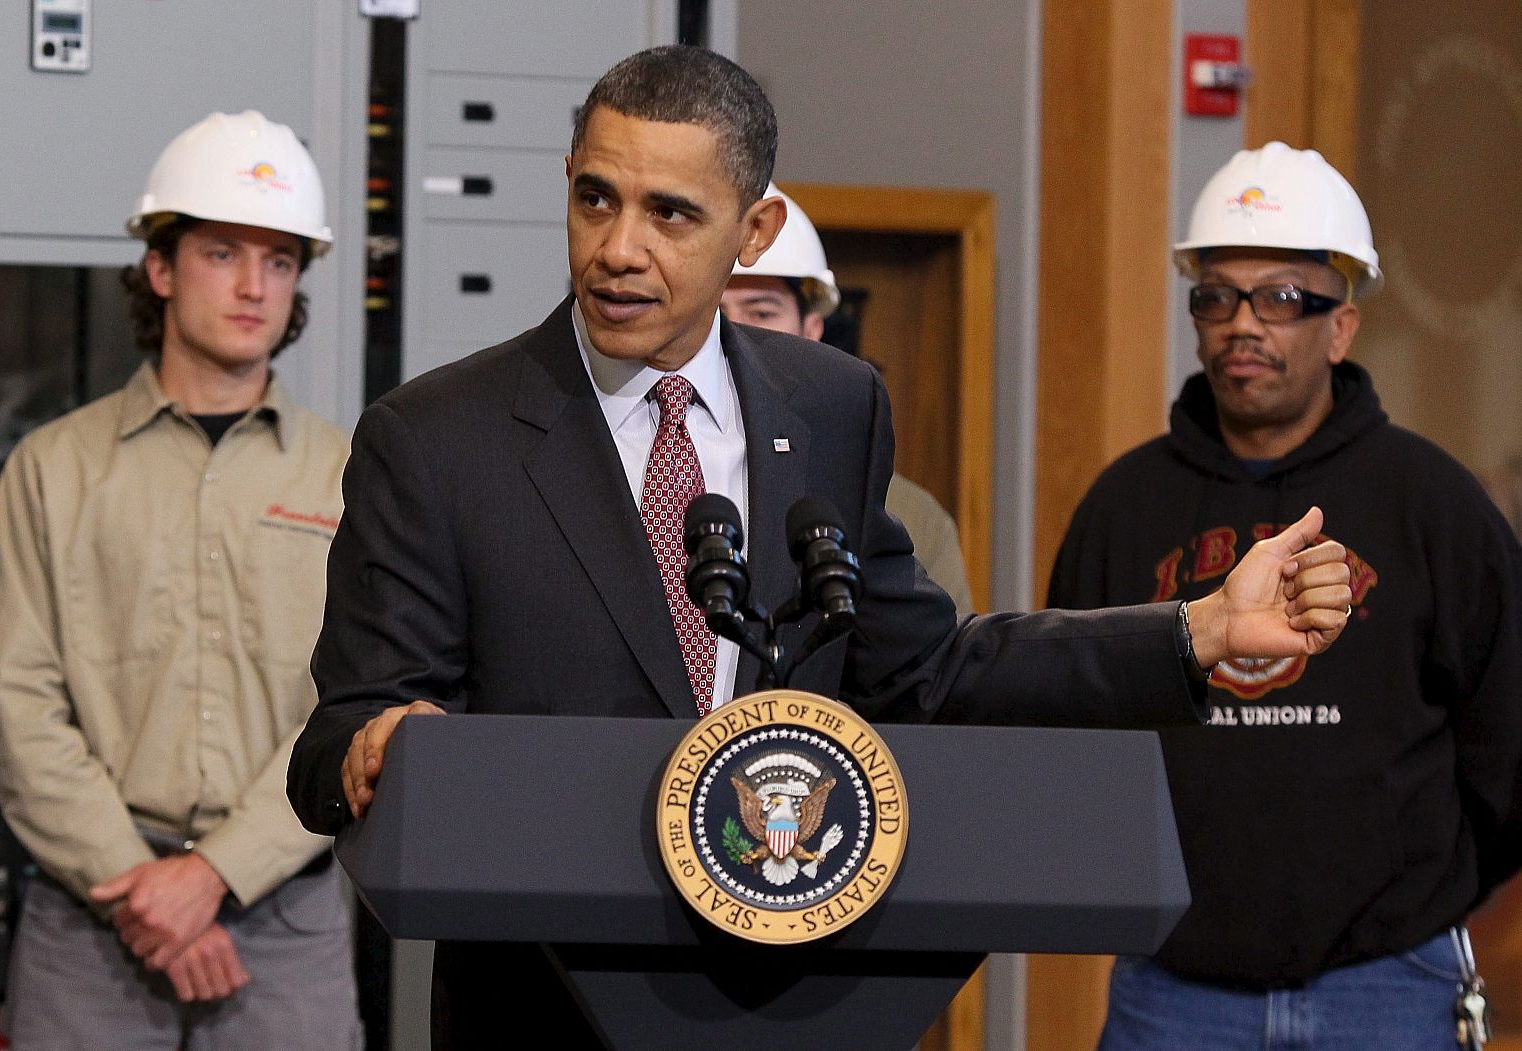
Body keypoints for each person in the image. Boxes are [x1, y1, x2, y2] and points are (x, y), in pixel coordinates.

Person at [285, 48, 1352, 1047]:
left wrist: (1196, 629)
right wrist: (378, 746)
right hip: (540, 1013)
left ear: (755, 232)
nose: (618, 247)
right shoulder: (436, 438)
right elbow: (336, 740)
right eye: (595, 198)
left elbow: (929, 670)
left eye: (671, 213)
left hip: (790, 999)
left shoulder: (832, 407)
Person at [1048, 142, 1522, 1050]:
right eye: (1217, 295)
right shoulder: (1124, 507)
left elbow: (1509, 743)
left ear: (1341, 326)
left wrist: (1424, 893)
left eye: (1281, 298)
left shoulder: (1433, 504)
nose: (1243, 324)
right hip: (1174, 988)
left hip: (1389, 983)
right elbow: (1073, 732)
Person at [0, 111, 361, 1049]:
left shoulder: (351, 475)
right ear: (160, 267)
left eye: (279, 261)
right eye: (223, 252)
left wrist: (216, 874)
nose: (252, 286)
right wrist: (144, 889)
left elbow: (355, 706)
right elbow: (19, 708)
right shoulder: (53, 467)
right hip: (93, 920)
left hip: (288, 923)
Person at [721, 182, 976, 611]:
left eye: (762, 312)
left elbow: (935, 671)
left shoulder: (903, 515)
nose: (735, 334)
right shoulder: (649, 473)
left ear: (813, 329)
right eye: (715, 314)